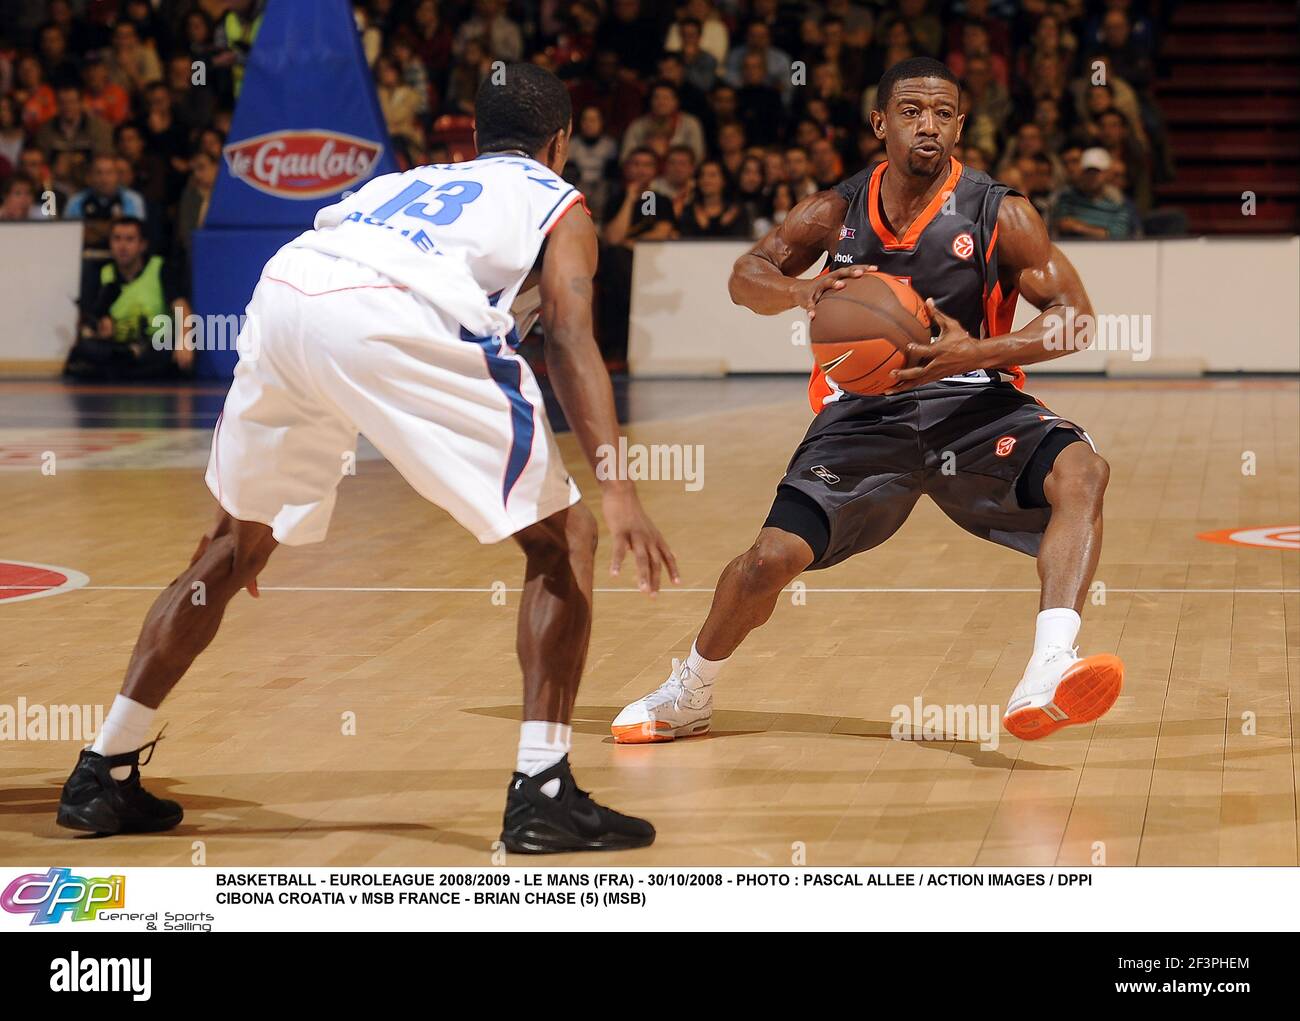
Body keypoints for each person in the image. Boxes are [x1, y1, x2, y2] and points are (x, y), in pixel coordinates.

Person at [56, 64, 676, 856]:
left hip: (287, 292)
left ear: (476, 138)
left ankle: (100, 770)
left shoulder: (408, 182)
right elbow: (570, 331)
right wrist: (619, 490)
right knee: (566, 537)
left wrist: (241, 510)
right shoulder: (557, 201)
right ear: (558, 143)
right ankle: (543, 790)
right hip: (390, 312)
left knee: (230, 547)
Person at [614, 58, 1122, 745]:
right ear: (880, 122)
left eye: (944, 114)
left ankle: (1048, 662)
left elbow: (1077, 319)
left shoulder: (1000, 212)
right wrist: (801, 291)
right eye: (912, 111)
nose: (929, 125)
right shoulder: (835, 210)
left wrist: (973, 352)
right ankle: (692, 688)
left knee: (1083, 471)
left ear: (960, 125)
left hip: (973, 406)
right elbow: (746, 275)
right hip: (862, 415)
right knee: (767, 561)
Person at [64, 216, 191, 379]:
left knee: (165, 350)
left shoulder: (160, 269)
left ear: (142, 245)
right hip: (118, 348)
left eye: (130, 239)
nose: (122, 246)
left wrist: (184, 342)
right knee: (85, 349)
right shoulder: (103, 274)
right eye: (117, 239)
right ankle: (127, 364)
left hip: (153, 344)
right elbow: (88, 324)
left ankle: (123, 368)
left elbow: (182, 308)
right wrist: (100, 328)